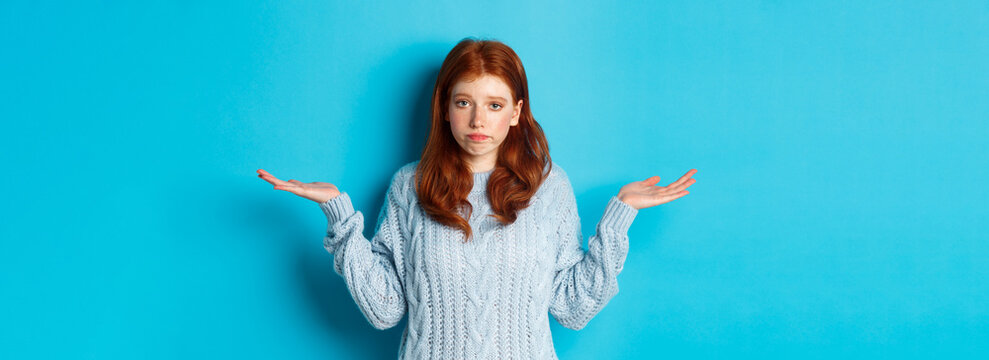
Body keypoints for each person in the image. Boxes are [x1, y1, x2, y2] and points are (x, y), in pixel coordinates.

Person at [257, 37, 697, 359]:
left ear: (516, 112)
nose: (477, 119)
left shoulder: (549, 186)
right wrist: (340, 217)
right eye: (463, 102)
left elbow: (571, 308)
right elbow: (385, 310)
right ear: (444, 108)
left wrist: (619, 218)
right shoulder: (409, 186)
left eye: (494, 104)